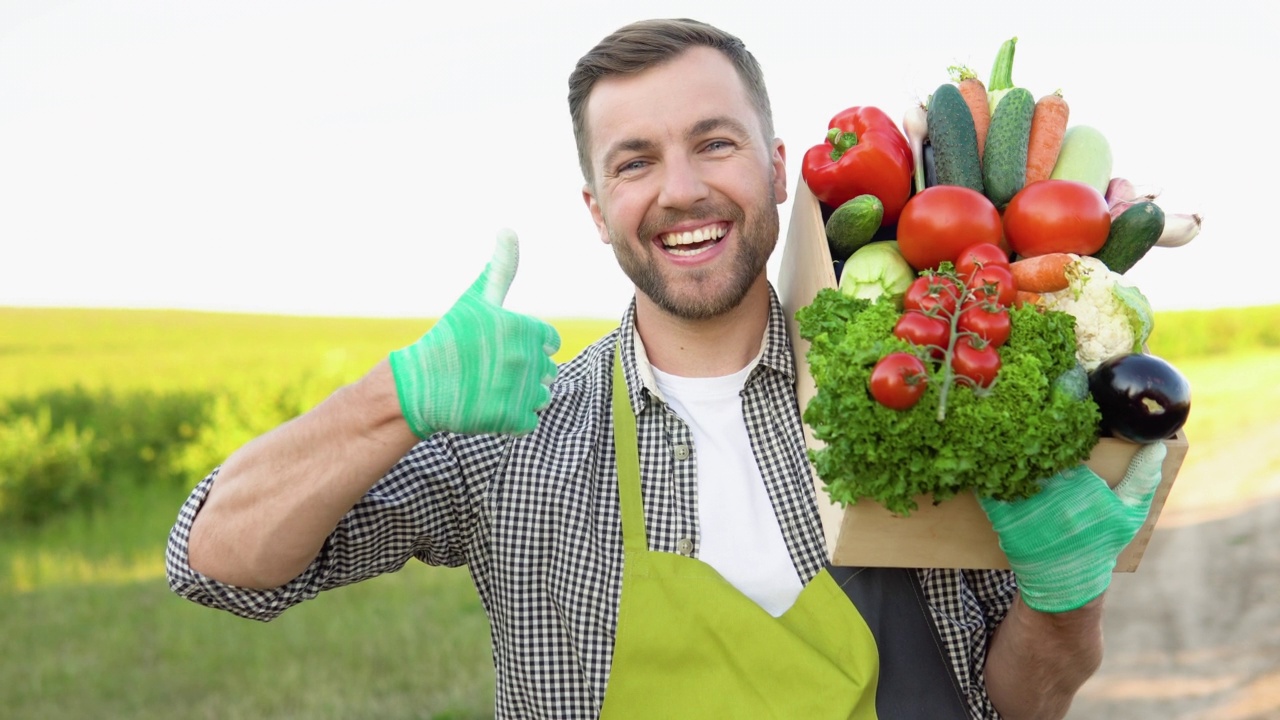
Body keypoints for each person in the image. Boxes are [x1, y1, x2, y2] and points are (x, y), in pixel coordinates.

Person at [166, 17, 1167, 720]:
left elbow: (1026, 704)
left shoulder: (920, 387)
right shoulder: (513, 436)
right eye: (634, 161)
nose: (681, 191)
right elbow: (217, 562)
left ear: (778, 168)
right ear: (595, 207)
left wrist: (1061, 598)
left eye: (713, 144)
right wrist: (392, 398)